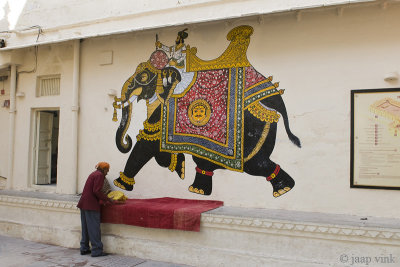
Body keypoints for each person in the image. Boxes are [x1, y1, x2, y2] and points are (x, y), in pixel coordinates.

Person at [77, 162, 116, 257]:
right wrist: (107, 199)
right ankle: (97, 250)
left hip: (84, 203)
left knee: (85, 228)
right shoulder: (100, 175)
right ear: (104, 169)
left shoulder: (93, 174)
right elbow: (96, 190)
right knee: (94, 228)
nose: (107, 173)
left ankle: (84, 248)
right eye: (107, 170)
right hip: (91, 205)